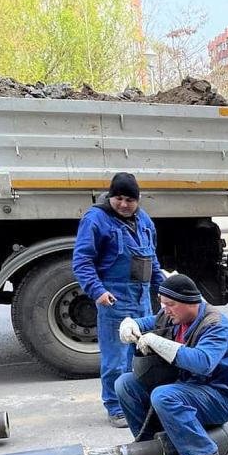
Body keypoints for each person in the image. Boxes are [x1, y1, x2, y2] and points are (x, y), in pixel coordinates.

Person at [115, 274, 228, 455]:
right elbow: (148, 322)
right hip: (191, 388)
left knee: (164, 395)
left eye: (170, 304)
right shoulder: (174, 315)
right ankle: (150, 450)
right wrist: (131, 324)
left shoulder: (215, 325)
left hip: (221, 396)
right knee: (125, 384)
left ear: (191, 303)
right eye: (162, 303)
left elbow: (203, 362)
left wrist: (159, 343)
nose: (165, 309)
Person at [73, 173, 164, 428]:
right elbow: (82, 261)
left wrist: (164, 289)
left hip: (142, 298)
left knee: (142, 354)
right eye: (118, 198)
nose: (123, 204)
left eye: (129, 199)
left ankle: (137, 401)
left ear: (138, 200)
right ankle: (115, 406)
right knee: (116, 359)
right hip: (114, 299)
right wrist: (97, 291)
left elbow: (152, 259)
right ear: (110, 196)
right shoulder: (96, 220)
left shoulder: (144, 220)